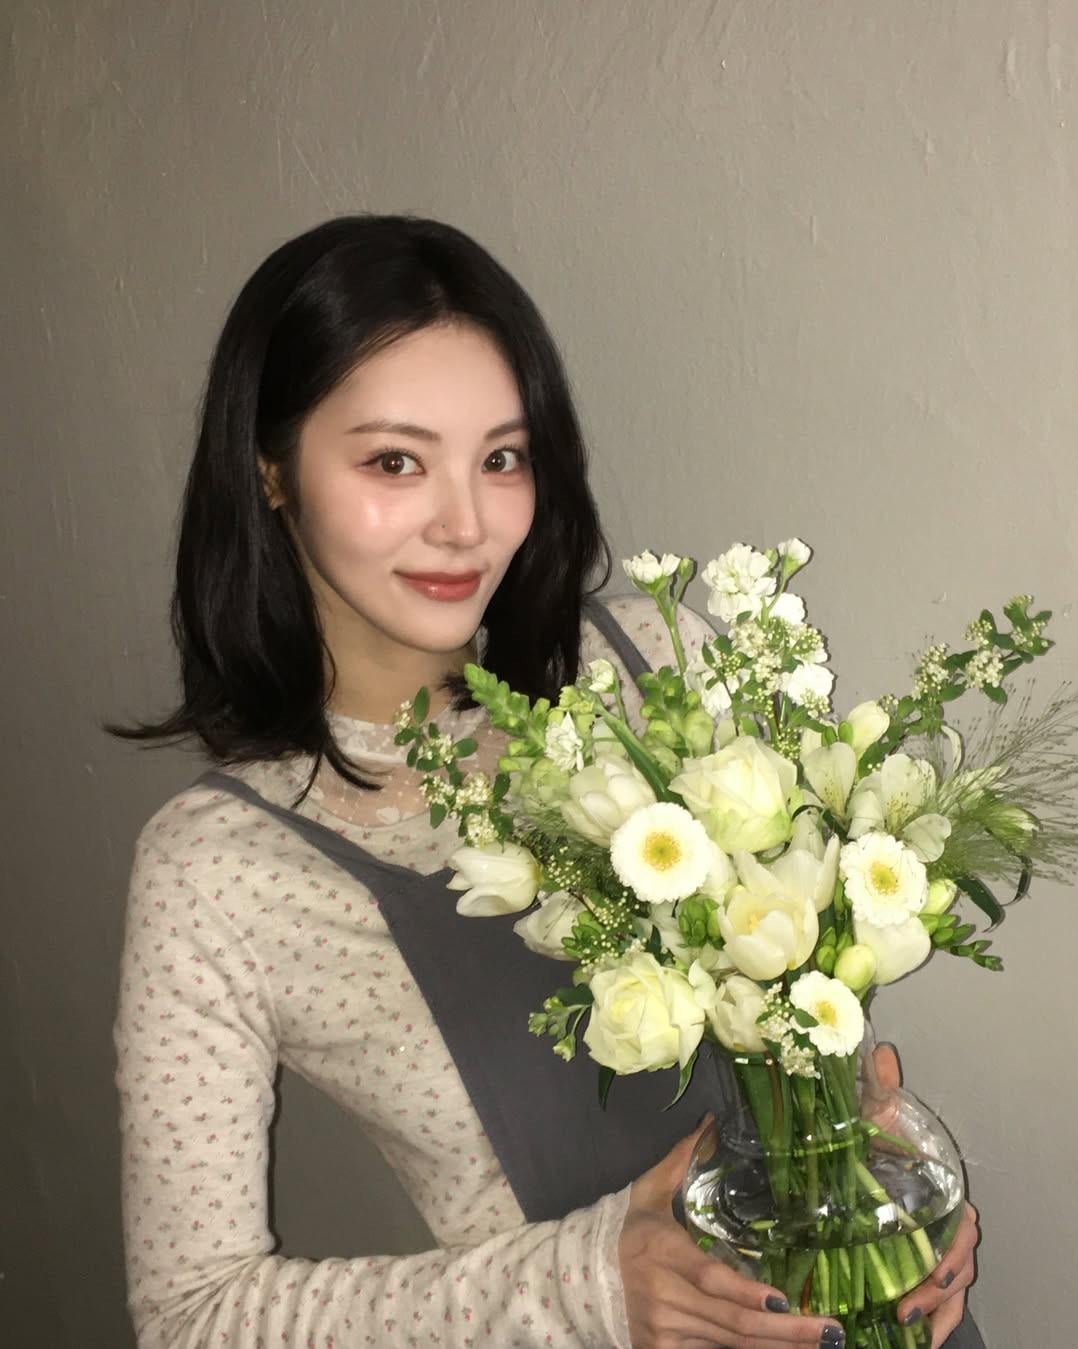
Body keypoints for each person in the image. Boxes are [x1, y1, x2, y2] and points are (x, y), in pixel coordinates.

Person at [110, 215, 981, 1348]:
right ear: (271, 471)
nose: (466, 523)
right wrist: (586, 1285)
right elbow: (191, 1313)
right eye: (394, 461)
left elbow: (794, 1017)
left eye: (502, 458)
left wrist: (887, 1178)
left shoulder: (656, 667)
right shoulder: (221, 870)